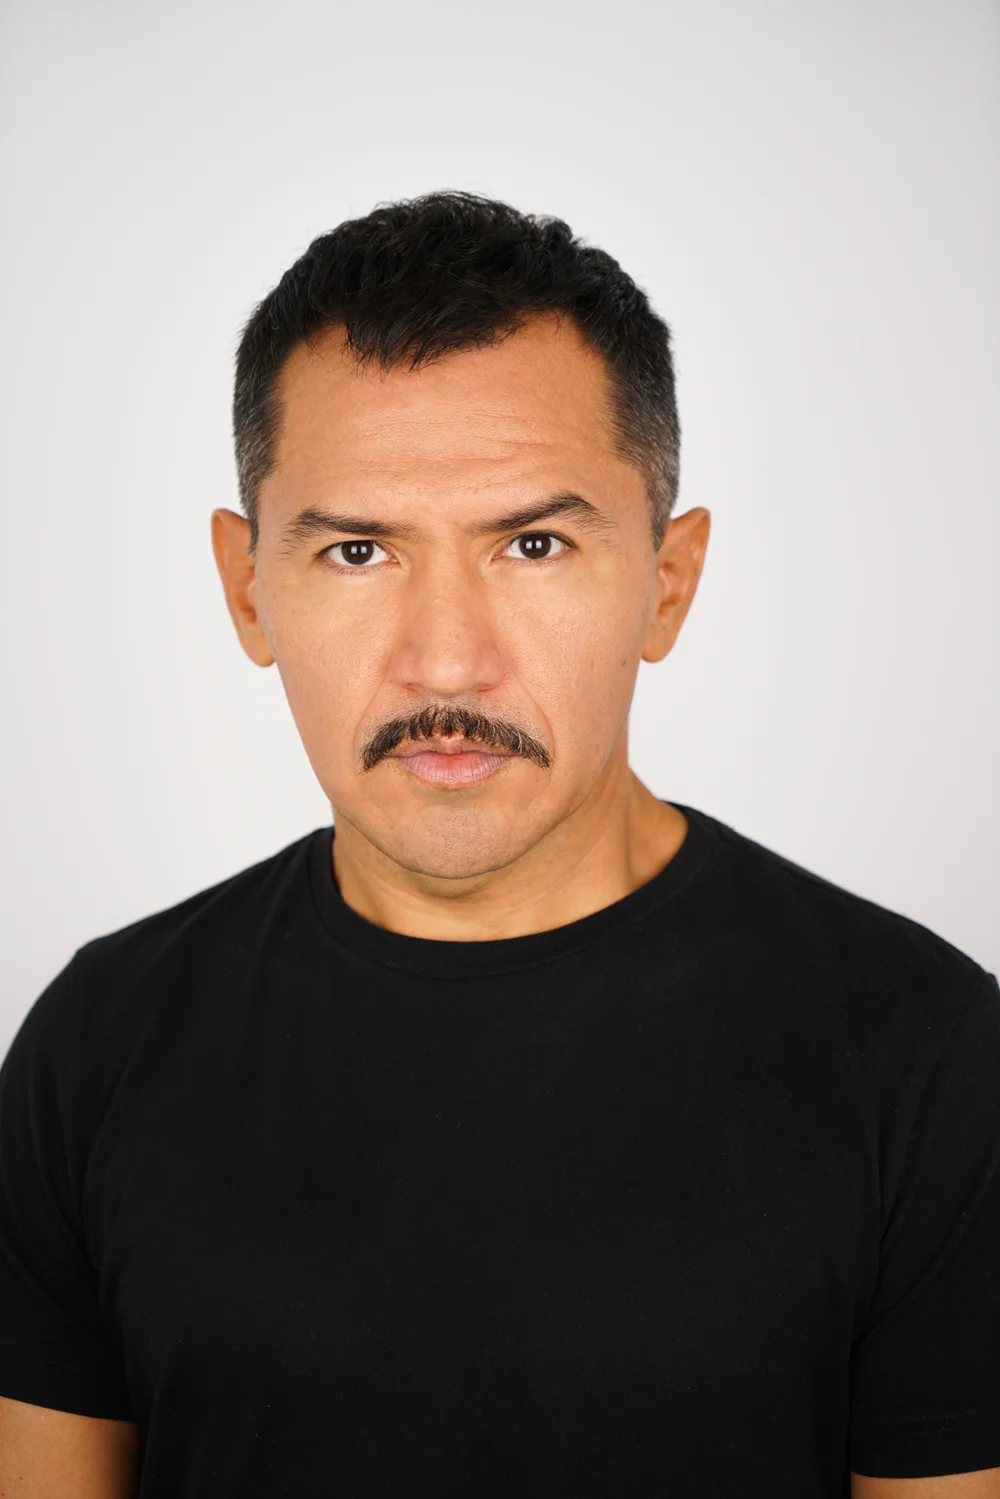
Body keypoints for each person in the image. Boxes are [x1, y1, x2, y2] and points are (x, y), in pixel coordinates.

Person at [0, 192, 997, 1499]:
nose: (446, 661)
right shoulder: (97, 1045)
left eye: (534, 544)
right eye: (359, 549)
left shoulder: (927, 1057)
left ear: (668, 580)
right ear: (248, 589)